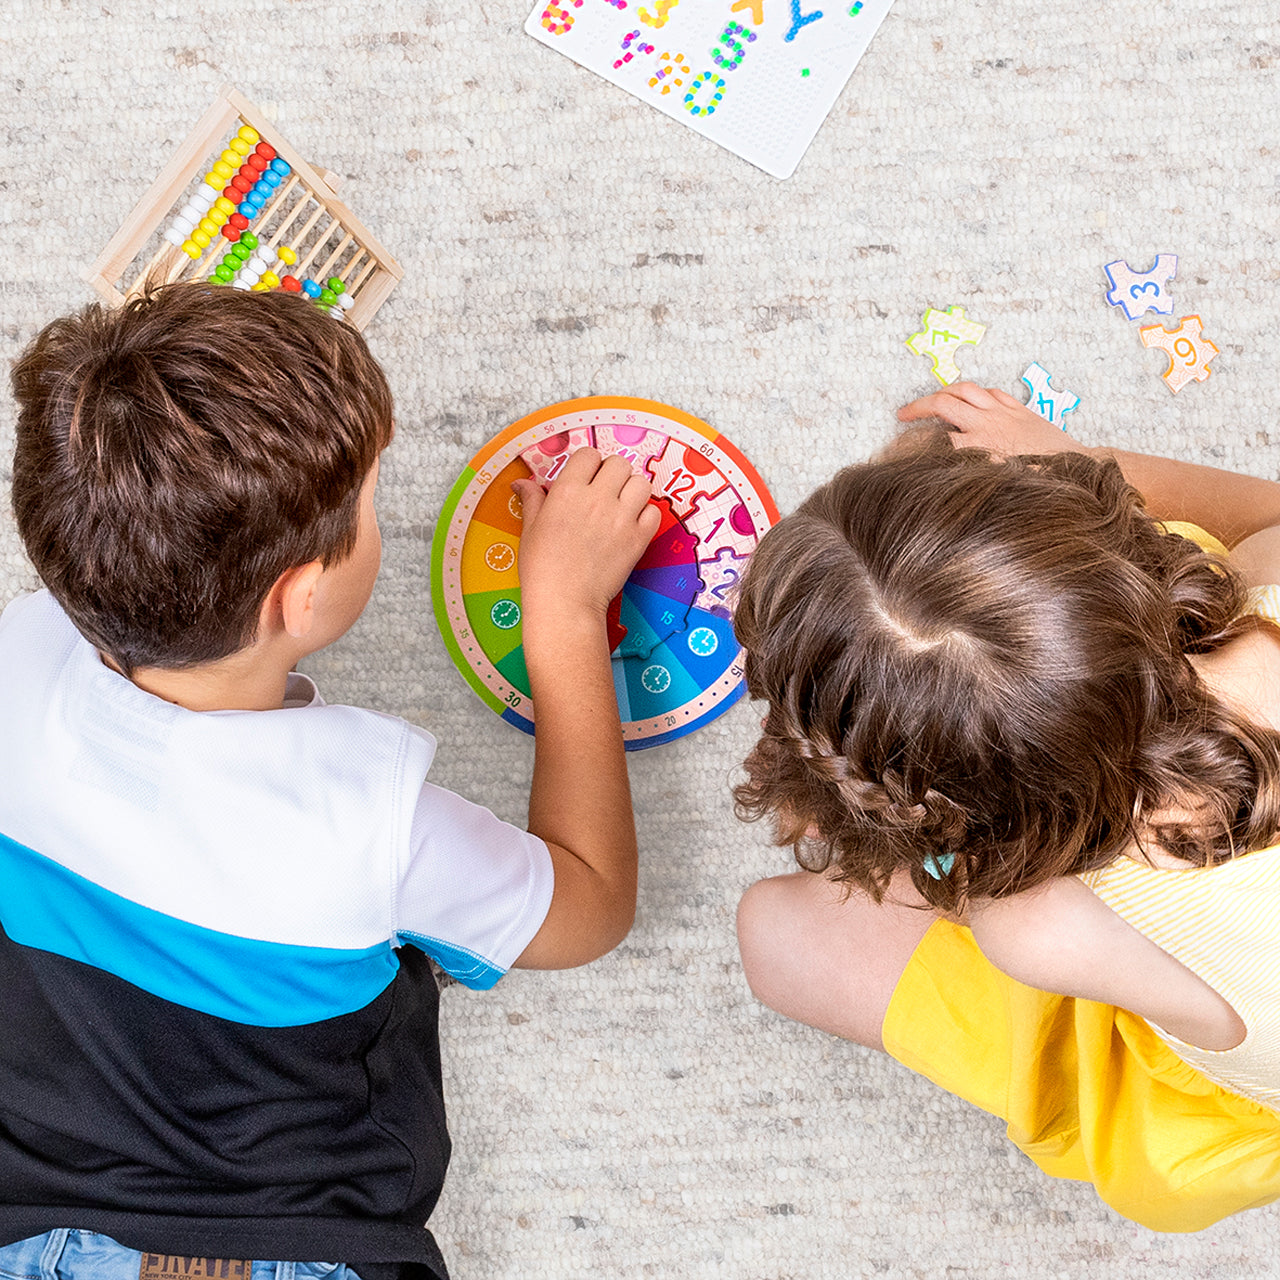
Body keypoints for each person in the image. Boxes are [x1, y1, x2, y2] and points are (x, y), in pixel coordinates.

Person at [0, 283, 660, 1280]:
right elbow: (591, 903)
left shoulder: (18, 649)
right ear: (301, 594)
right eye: (368, 504)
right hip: (294, 1246)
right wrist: (564, 609)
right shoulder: (370, 819)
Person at [734, 382, 1280, 1232]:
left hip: (1214, 1090)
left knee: (774, 935)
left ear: (933, 805)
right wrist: (1069, 458)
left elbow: (951, 867)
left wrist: (859, 821)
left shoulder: (1036, 926)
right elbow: (1265, 514)